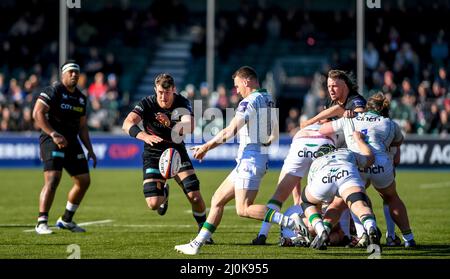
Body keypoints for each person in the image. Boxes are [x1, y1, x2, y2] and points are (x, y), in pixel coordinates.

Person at [174, 66, 300, 255]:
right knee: (217, 199)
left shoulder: (249, 101)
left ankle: (291, 222)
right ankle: (197, 244)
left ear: (246, 81)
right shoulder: (268, 98)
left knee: (243, 209)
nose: (236, 90)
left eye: (237, 85)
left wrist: (205, 147)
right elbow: (271, 132)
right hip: (254, 158)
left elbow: (230, 131)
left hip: (250, 160)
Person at [122, 73, 212, 242]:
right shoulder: (147, 103)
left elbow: (190, 126)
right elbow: (127, 123)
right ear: (155, 90)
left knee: (194, 195)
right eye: (160, 93)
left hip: (175, 150)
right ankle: (164, 192)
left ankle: (203, 232)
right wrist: (144, 136)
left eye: (167, 92)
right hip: (153, 152)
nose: (163, 97)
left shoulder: (181, 102)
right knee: (153, 204)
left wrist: (169, 123)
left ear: (174, 90)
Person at [319, 92, 416, 247]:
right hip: (380, 165)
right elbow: (398, 143)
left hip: (358, 162)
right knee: (391, 198)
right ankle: (408, 239)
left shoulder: (350, 118)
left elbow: (323, 129)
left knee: (344, 201)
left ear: (366, 108)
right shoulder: (390, 123)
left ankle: (328, 232)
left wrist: (341, 116)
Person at [33, 61, 97, 234]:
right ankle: (41, 222)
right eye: (71, 72)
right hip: (51, 139)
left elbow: (83, 127)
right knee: (53, 179)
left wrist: (90, 149)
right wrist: (53, 134)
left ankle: (66, 219)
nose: (74, 75)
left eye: (76, 72)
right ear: (63, 75)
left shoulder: (81, 98)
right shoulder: (52, 91)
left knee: (84, 181)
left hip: (72, 142)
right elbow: (37, 113)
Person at [251, 123, 337, 245]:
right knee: (334, 199)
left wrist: (297, 199)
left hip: (300, 140)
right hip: (324, 141)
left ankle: (262, 234)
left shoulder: (307, 124)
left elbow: (296, 174)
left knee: (278, 197)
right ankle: (341, 232)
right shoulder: (337, 124)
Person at [301, 132, 381, 250]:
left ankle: (321, 230)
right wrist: (360, 141)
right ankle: (370, 227)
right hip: (346, 171)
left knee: (307, 202)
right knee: (359, 204)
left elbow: (317, 203)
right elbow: (370, 159)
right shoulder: (347, 152)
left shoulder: (316, 162)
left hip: (323, 175)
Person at [300, 69, 366, 128]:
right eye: (329, 86)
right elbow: (327, 120)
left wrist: (309, 122)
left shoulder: (355, 99)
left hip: (356, 137)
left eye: (334, 86)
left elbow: (361, 113)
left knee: (338, 109)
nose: (331, 90)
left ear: (345, 86)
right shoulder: (331, 101)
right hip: (338, 137)